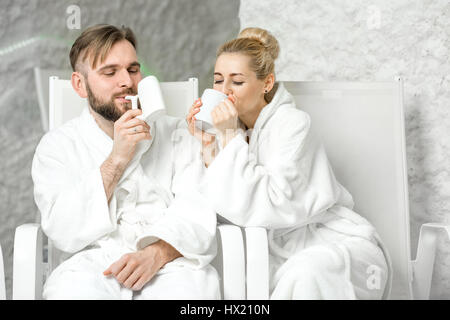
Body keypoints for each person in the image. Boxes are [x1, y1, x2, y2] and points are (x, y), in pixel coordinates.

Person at [186, 27, 392, 299]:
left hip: (331, 243)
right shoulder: (227, 132)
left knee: (307, 274)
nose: (224, 92)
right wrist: (209, 146)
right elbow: (222, 209)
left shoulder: (293, 125)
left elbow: (271, 204)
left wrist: (229, 137)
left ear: (267, 83)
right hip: (271, 254)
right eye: (218, 81)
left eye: (236, 82)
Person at [32, 24, 220, 300]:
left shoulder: (177, 134)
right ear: (79, 84)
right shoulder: (57, 147)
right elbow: (62, 229)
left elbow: (198, 209)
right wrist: (117, 158)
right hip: (93, 267)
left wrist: (156, 253)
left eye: (133, 69)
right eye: (110, 72)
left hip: (171, 263)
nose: (127, 82)